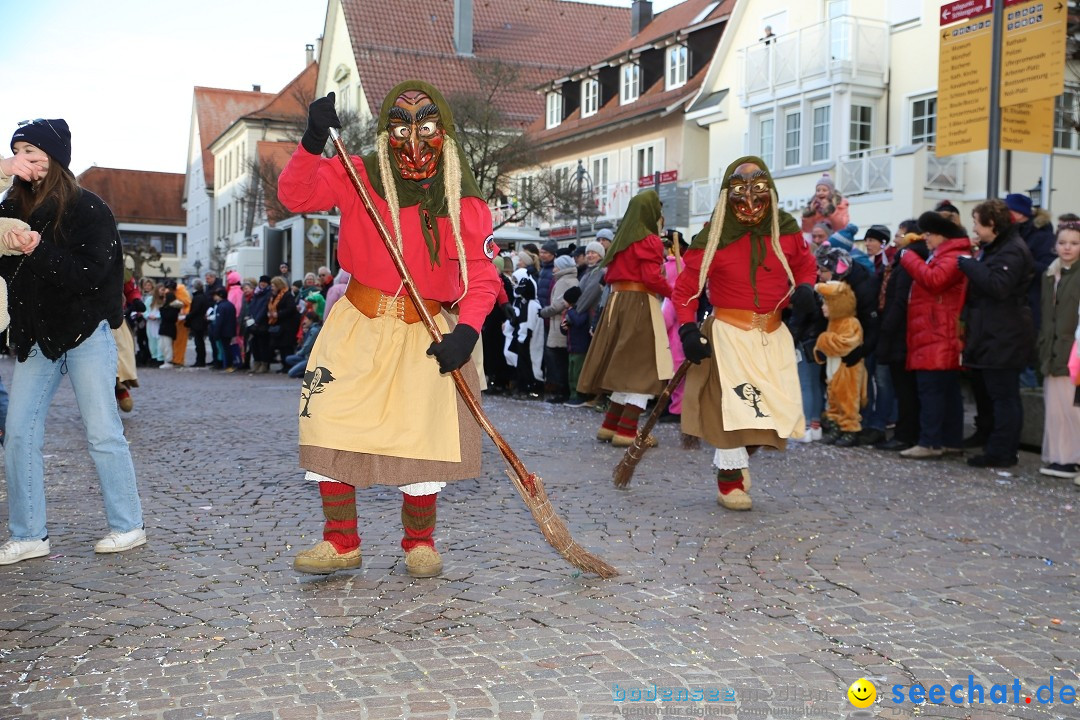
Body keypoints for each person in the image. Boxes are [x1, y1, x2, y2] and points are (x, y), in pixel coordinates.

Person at [277, 82, 499, 577]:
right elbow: (294, 195)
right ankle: (341, 542)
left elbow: (483, 276)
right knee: (329, 418)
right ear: (385, 132)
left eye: (425, 130)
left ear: (443, 132)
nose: (413, 143)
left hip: (426, 330)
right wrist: (312, 141)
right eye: (401, 129)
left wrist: (466, 331)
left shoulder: (462, 199)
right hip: (357, 324)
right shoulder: (357, 175)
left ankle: (419, 542)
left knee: (422, 433)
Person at [0, 118, 145, 565]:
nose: (25, 156)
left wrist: (37, 249)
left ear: (55, 155)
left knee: (103, 432)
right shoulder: (9, 207)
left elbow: (93, 275)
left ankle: (128, 526)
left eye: (33, 149)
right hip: (36, 338)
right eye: (18, 149)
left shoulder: (88, 207)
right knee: (19, 432)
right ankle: (28, 535)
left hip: (86, 333)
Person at [673, 156, 817, 511]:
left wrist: (807, 288)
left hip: (774, 334)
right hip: (730, 335)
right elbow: (686, 287)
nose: (750, 202)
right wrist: (688, 327)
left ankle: (741, 457)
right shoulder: (714, 235)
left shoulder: (786, 230)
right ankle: (730, 479)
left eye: (758, 192)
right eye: (741, 192)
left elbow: (803, 265)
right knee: (735, 410)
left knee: (771, 412)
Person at [577, 190, 673, 448]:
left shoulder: (621, 240)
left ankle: (610, 425)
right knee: (643, 368)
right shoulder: (649, 241)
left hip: (617, 303)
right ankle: (628, 431)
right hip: (639, 303)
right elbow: (651, 278)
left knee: (623, 367)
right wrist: (674, 292)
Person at [957, 199, 1035, 468]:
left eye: (977, 222)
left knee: (1004, 397)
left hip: (1005, 334)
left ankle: (1002, 452)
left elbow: (998, 285)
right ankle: (996, 445)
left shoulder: (1012, 250)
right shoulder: (999, 248)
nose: (974, 228)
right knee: (996, 395)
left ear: (992, 224)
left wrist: (969, 264)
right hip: (993, 332)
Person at [896, 211, 969, 459]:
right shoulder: (945, 255)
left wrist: (908, 257)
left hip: (938, 333)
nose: (925, 238)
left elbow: (934, 280)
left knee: (932, 391)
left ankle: (930, 442)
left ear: (943, 236)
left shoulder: (953, 256)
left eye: (930, 234)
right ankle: (949, 441)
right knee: (945, 391)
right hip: (935, 332)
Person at [874, 222, 927, 451]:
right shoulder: (903, 260)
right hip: (900, 332)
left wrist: (886, 327)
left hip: (900, 334)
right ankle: (905, 432)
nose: (895, 238)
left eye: (899, 234)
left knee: (904, 389)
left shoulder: (907, 262)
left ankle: (905, 434)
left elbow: (899, 299)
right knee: (903, 387)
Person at [1036, 221, 1080, 477]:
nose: (1067, 248)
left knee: (1073, 408)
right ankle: (1061, 456)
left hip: (1073, 351)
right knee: (1056, 406)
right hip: (1051, 349)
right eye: (1063, 242)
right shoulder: (1050, 274)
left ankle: (1072, 456)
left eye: (1074, 243)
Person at [538, 254, 578, 404]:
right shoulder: (566, 279)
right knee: (561, 361)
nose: (554, 269)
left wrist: (543, 312)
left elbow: (558, 304)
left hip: (558, 325)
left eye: (556, 266)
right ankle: (563, 390)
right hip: (558, 324)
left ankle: (563, 391)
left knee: (559, 361)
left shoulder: (564, 281)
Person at [266, 275, 299, 372]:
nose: (272, 288)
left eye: (273, 286)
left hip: (288, 325)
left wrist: (278, 314)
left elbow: (291, 308)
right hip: (279, 324)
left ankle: (288, 366)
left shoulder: (287, 295)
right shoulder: (273, 296)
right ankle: (284, 365)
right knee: (281, 346)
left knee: (287, 346)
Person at [283, 311, 323, 378]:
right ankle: (306, 368)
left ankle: (309, 372)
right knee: (288, 359)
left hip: (310, 358)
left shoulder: (314, 330)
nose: (304, 321)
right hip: (307, 356)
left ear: (311, 320)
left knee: (291, 373)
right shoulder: (310, 329)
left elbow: (307, 346)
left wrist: (299, 353)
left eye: (306, 319)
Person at [208, 286, 238, 372]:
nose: (214, 297)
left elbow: (219, 321)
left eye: (216, 295)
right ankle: (229, 365)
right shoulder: (230, 305)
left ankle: (229, 365)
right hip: (230, 330)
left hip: (224, 331)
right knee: (227, 348)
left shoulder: (221, 306)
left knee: (225, 349)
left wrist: (216, 333)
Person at [186, 280, 213, 368]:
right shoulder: (203, 296)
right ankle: (201, 360)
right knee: (200, 342)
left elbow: (195, 310)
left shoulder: (198, 297)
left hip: (198, 323)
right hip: (201, 322)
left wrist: (187, 317)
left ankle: (200, 361)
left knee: (199, 343)